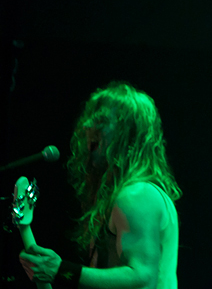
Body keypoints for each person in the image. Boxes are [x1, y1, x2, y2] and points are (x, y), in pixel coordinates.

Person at [19, 82, 181, 289]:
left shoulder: (137, 195)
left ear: (127, 134)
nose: (87, 126)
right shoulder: (135, 195)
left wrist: (63, 270)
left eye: (101, 120)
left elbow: (143, 278)